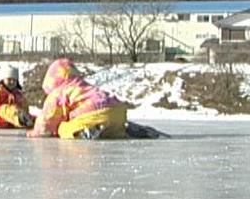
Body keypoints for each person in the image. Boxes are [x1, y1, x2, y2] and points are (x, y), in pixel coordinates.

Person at [27, 58, 169, 140]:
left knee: (64, 129)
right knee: (111, 131)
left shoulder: (58, 93)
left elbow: (47, 118)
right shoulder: (83, 86)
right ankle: (126, 129)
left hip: (92, 111)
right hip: (117, 109)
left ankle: (86, 131)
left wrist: (36, 132)